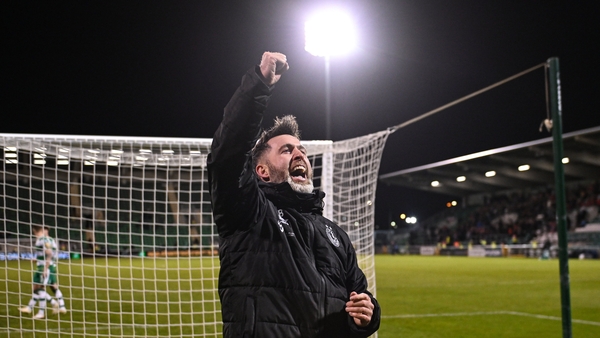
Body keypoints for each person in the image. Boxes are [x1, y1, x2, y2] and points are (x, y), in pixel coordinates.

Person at [207, 52, 381, 337]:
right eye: (286, 150)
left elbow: (358, 297)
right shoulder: (250, 212)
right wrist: (259, 86)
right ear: (261, 171)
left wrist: (367, 314)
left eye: (301, 149)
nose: (299, 153)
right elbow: (227, 156)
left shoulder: (334, 233)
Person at [19, 225, 67, 318]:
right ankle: (58, 305)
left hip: (47, 267)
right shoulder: (50, 240)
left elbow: (49, 253)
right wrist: (37, 259)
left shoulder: (43, 239)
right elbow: (47, 254)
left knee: (43, 288)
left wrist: (46, 268)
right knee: (39, 288)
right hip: (46, 266)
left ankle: (43, 310)